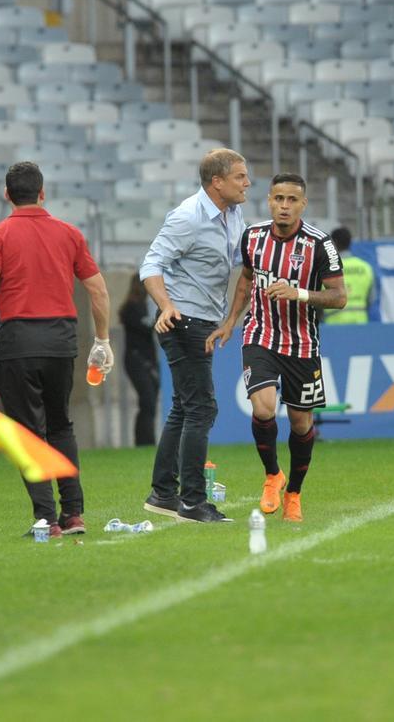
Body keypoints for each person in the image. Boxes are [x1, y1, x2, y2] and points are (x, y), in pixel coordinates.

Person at [0, 161, 113, 538]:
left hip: (19, 341)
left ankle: (47, 518)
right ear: (43, 193)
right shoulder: (69, 233)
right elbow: (97, 289)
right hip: (62, 340)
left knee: (28, 433)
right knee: (61, 425)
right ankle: (73, 514)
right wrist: (102, 340)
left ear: (7, 195)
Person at [207, 173, 346, 523]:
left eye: (292, 200)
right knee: (264, 407)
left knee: (300, 424)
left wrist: (298, 293)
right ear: (269, 201)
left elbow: (339, 297)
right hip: (260, 335)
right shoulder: (252, 237)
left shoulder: (319, 244)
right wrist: (231, 321)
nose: (284, 206)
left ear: (303, 204)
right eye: (279, 199)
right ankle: (272, 474)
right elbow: (246, 280)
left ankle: (294, 494)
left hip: (301, 343)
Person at [139, 148, 249, 523]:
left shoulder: (233, 214)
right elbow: (151, 264)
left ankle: (163, 493)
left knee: (185, 407)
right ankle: (192, 501)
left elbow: (240, 261)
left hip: (202, 321)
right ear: (217, 182)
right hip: (183, 320)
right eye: (239, 176)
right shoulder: (187, 217)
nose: (247, 183)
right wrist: (167, 305)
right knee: (202, 408)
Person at [119, 274, 159, 446]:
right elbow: (147, 326)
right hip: (137, 360)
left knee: (150, 402)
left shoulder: (144, 307)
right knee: (147, 400)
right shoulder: (131, 308)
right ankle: (144, 441)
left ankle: (145, 441)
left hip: (148, 360)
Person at [323, 226, 373, 325]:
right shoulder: (365, 267)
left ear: (333, 243)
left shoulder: (327, 268)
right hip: (360, 324)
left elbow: (318, 299)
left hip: (333, 325)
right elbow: (371, 300)